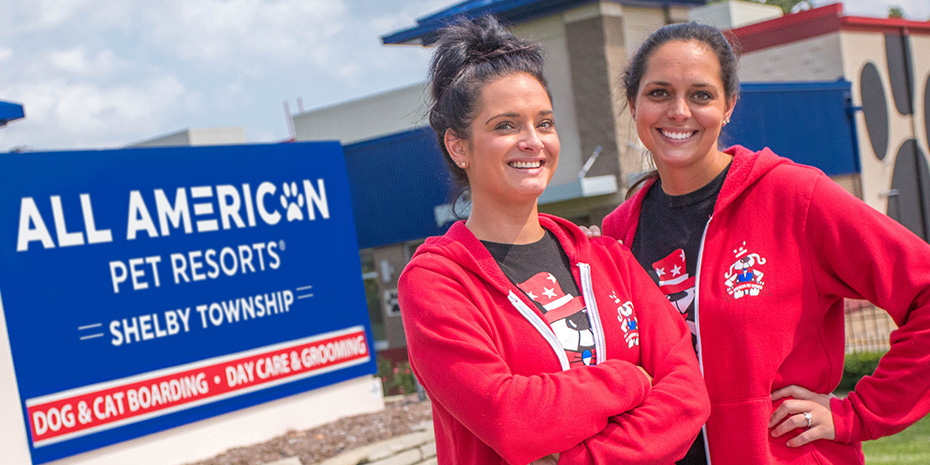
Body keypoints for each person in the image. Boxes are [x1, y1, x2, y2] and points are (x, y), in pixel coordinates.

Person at [599, 21, 930, 464]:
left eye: (701, 95)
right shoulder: (618, 233)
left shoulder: (794, 197)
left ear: (729, 106)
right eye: (659, 93)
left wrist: (859, 413)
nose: (678, 111)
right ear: (633, 104)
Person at [397, 16, 710, 465]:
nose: (533, 142)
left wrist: (579, 458)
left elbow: (687, 395)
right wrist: (630, 379)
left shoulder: (607, 259)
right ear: (458, 146)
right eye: (506, 126)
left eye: (544, 123)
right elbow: (510, 418)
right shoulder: (438, 283)